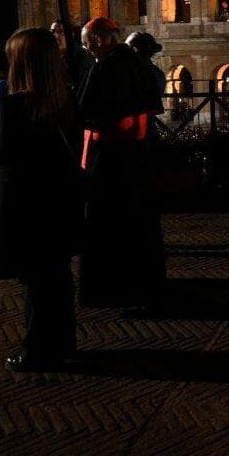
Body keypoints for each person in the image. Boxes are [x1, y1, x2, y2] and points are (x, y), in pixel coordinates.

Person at [0, 28, 84, 371]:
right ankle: (63, 343)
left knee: (34, 278)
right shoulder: (65, 98)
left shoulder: (18, 104)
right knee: (57, 274)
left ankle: (38, 348)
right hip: (59, 197)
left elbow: (8, 157)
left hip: (27, 201)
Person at [76, 17, 165, 311]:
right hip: (137, 152)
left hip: (110, 155)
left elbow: (85, 109)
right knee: (138, 219)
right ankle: (143, 284)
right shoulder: (139, 64)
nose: (87, 50)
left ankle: (112, 288)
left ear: (98, 39)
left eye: (87, 44)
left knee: (107, 222)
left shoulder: (104, 66)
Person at [125, 31, 168, 123]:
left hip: (133, 124)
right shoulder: (157, 72)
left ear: (134, 50)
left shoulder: (131, 72)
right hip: (148, 122)